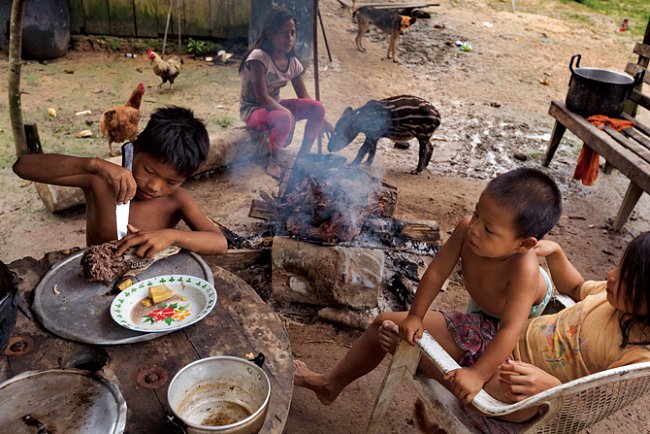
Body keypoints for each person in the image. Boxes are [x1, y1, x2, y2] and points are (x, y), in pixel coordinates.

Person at [294, 167, 562, 405]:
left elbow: (510, 329)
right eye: (476, 213)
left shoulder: (523, 268)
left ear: (524, 244)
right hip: (482, 312)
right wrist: (415, 316)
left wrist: (477, 375)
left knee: (487, 390)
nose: (476, 228)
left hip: (510, 326)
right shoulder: (467, 230)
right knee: (386, 323)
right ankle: (329, 385)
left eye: (489, 229)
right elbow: (435, 273)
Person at [13, 106, 227, 257]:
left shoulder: (177, 200)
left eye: (171, 181)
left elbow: (219, 243)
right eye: (149, 170)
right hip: (96, 279)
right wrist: (93, 165)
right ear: (135, 148)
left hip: (148, 285)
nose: (155, 186)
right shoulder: (99, 180)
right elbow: (22, 166)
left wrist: (171, 236)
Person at [239, 5, 333, 179]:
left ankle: (303, 157)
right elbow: (264, 99)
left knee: (317, 108)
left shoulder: (293, 62)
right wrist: (287, 113)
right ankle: (274, 160)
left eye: (293, 33)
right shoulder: (259, 58)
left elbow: (304, 97)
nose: (290, 38)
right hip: (254, 110)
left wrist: (322, 120)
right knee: (284, 117)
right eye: (284, 33)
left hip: (275, 108)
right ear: (270, 34)